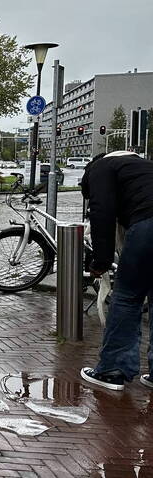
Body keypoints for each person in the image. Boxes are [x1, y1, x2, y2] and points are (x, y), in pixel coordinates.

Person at [79, 151, 153, 391]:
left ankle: (112, 370)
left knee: (127, 297)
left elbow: (102, 213)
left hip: (148, 224)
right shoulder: (141, 166)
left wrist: (100, 261)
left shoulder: (101, 168)